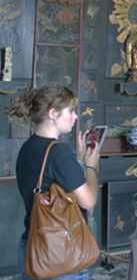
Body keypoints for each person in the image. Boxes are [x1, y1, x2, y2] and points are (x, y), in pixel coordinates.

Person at [10, 86, 100, 280]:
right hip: (59, 253)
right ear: (53, 113)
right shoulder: (59, 153)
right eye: (71, 111)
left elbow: (52, 180)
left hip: (32, 245)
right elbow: (88, 201)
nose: (75, 117)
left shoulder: (28, 147)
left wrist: (77, 159)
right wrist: (91, 166)